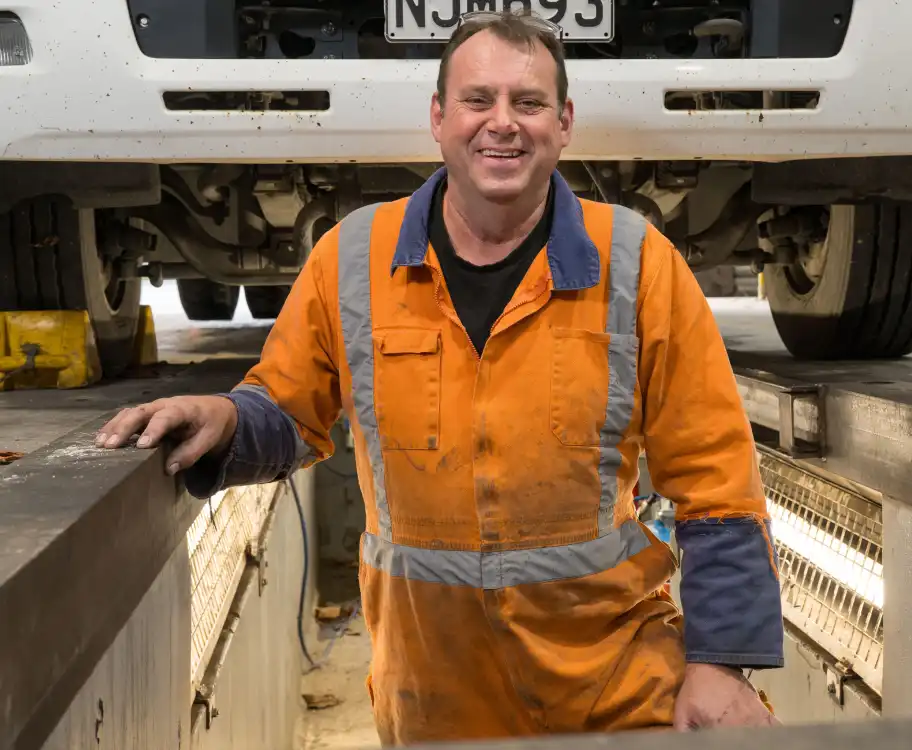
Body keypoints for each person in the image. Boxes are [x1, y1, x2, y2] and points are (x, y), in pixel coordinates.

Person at [96, 9, 784, 746]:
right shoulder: (352, 260)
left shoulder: (637, 264)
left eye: (529, 103)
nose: (503, 124)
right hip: (432, 699)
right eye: (478, 101)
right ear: (438, 117)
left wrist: (722, 663)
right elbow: (288, 412)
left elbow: (716, 478)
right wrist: (227, 420)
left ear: (564, 123)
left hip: (612, 689)